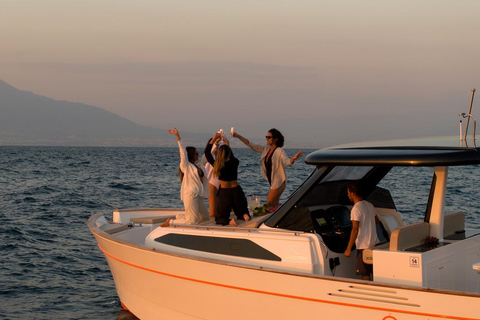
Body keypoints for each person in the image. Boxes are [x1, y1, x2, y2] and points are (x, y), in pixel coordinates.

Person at [233, 128, 303, 207]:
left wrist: (292, 159)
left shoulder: (279, 151)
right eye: (266, 137)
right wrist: (238, 136)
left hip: (279, 182)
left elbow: (287, 162)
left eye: (269, 137)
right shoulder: (265, 149)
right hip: (273, 182)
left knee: (268, 206)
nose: (267, 139)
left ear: (275, 139)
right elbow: (250, 144)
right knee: (273, 207)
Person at [162, 128, 209, 227]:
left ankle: (181, 217)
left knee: (205, 218)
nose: (198, 154)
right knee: (192, 222)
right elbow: (182, 152)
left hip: (199, 194)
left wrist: (216, 142)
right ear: (192, 154)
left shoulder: (198, 164)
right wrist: (177, 136)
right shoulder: (186, 166)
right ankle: (171, 222)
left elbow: (207, 154)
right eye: (196, 153)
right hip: (190, 195)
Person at [205, 132, 251, 226]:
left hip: (225, 192)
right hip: (237, 190)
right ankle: (245, 215)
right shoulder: (235, 162)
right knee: (241, 211)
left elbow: (207, 153)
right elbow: (231, 156)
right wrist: (227, 146)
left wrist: (214, 139)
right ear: (229, 152)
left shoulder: (218, 165)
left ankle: (230, 221)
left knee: (220, 218)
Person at [344, 181, 379, 280]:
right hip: (373, 244)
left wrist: (348, 249)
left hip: (363, 247)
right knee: (373, 272)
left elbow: (355, 229)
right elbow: (377, 221)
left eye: (348, 193)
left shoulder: (356, 209)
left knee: (365, 274)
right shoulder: (369, 205)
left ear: (353, 194)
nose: (347, 195)